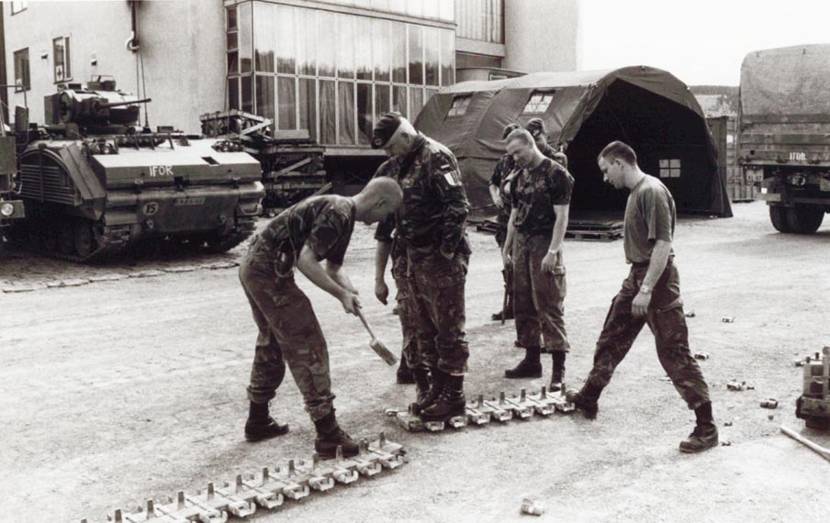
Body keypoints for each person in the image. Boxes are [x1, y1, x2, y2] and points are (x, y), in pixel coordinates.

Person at [566, 140, 718, 453]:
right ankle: (589, 396)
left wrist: (646, 290)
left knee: (674, 352)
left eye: (607, 170)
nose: (606, 178)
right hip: (637, 276)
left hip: (657, 281)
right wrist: (637, 286)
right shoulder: (638, 192)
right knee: (612, 335)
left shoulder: (652, 191)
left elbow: (663, 244)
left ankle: (706, 427)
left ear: (620, 163)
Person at [239, 178, 403, 458]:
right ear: (380, 203)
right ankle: (328, 434)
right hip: (268, 271)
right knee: (307, 343)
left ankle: (258, 419)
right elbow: (306, 260)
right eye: (386, 214)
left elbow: (334, 267)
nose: (382, 221)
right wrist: (340, 295)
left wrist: (348, 289)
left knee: (273, 341)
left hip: (257, 267)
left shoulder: (343, 214)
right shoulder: (339, 211)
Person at [372, 112, 472, 423]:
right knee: (423, 329)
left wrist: (443, 254)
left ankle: (454, 395)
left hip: (440, 258)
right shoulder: (395, 165)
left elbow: (458, 207)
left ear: (404, 135)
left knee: (448, 326)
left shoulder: (437, 157)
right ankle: (436, 390)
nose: (389, 154)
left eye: (390, 147)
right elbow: (387, 215)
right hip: (412, 258)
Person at [501, 128, 573, 391]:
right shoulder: (519, 176)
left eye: (518, 152)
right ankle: (531, 360)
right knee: (523, 302)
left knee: (549, 302)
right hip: (522, 241)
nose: (514, 158)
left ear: (531, 146)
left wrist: (553, 252)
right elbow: (514, 214)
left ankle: (558, 370)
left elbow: (562, 216)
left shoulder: (556, 174)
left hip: (545, 241)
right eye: (511, 154)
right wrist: (507, 248)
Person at [372, 160, 417, 385]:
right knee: (409, 314)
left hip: (431, 264)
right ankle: (410, 366)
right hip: (404, 266)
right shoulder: (390, 206)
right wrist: (379, 280)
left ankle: (418, 366)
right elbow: (383, 238)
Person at [488, 122, 521, 322]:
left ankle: (520, 306)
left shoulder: (524, 161)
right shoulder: (503, 162)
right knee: (507, 263)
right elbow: (492, 182)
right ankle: (510, 305)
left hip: (519, 221)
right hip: (504, 219)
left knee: (520, 265)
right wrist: (495, 197)